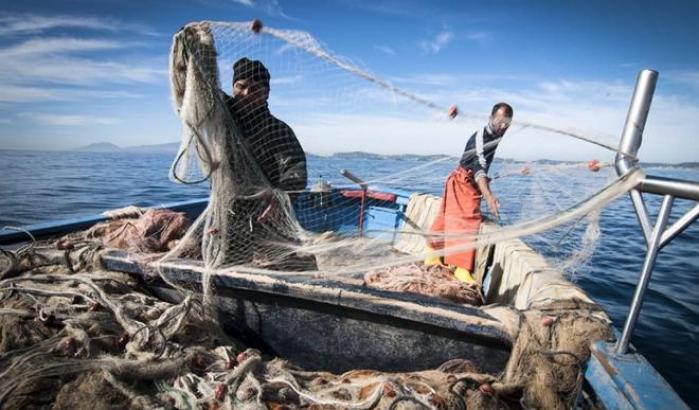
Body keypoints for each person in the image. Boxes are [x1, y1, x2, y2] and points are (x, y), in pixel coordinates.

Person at [223, 57, 316, 270]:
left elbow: (295, 169)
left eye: (255, 89)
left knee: (291, 266)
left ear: (266, 93)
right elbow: (195, 90)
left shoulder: (279, 130)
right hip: (229, 211)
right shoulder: (220, 118)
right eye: (241, 86)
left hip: (269, 212)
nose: (247, 94)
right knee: (230, 266)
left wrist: (280, 194)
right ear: (233, 87)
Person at [425, 102, 513, 283]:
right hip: (463, 181)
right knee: (467, 220)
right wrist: (489, 196)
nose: (503, 126)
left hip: (471, 182)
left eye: (507, 123)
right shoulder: (480, 138)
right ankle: (461, 268)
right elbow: (479, 167)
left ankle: (433, 255)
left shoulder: (498, 132)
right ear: (491, 118)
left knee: (446, 218)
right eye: (500, 121)